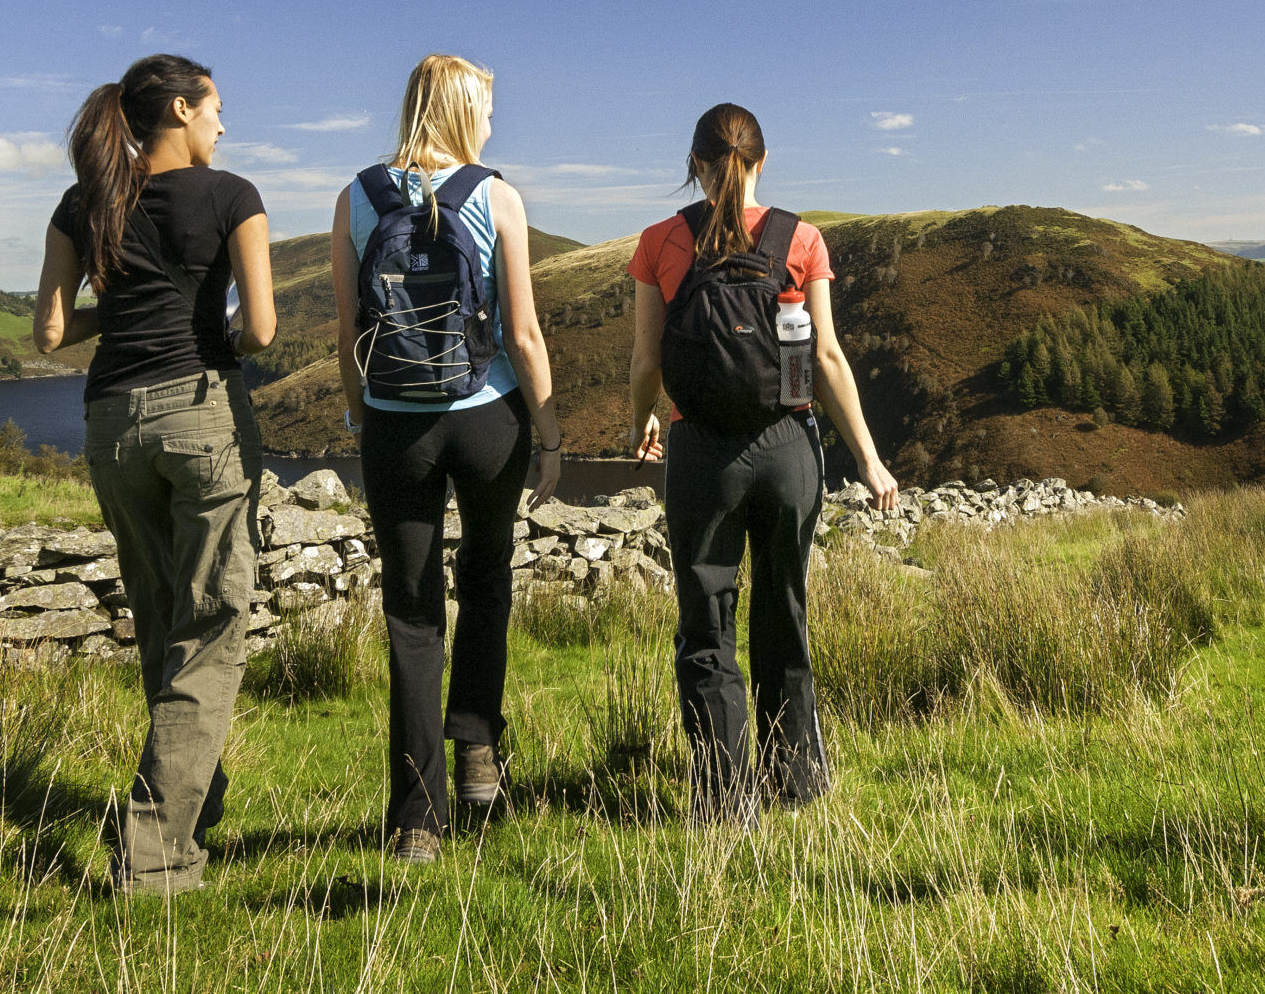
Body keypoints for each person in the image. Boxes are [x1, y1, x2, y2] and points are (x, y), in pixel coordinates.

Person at [34, 53, 274, 898]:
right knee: (210, 626)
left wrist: (122, 308)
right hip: (201, 412)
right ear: (180, 108)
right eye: (216, 108)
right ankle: (157, 862)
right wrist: (212, 327)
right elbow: (262, 331)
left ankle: (190, 801)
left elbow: (50, 334)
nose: (222, 124)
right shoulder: (232, 195)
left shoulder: (83, 203)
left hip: (110, 423)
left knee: (162, 616)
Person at [627, 103, 899, 823]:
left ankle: (724, 802)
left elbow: (647, 361)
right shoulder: (800, 239)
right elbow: (827, 357)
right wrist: (869, 460)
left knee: (707, 626)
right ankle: (796, 782)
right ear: (762, 161)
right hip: (788, 449)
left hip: (700, 453)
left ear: (695, 164)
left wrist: (642, 419)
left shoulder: (659, 242)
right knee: (784, 611)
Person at [331, 54, 562, 864]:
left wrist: (366, 417)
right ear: (464, 112)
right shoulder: (496, 196)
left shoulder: (357, 196)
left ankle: (415, 820)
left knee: (412, 611)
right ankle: (477, 752)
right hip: (488, 419)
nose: (492, 124)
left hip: (397, 423)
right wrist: (550, 433)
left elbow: (348, 333)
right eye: (487, 110)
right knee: (487, 581)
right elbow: (523, 333)